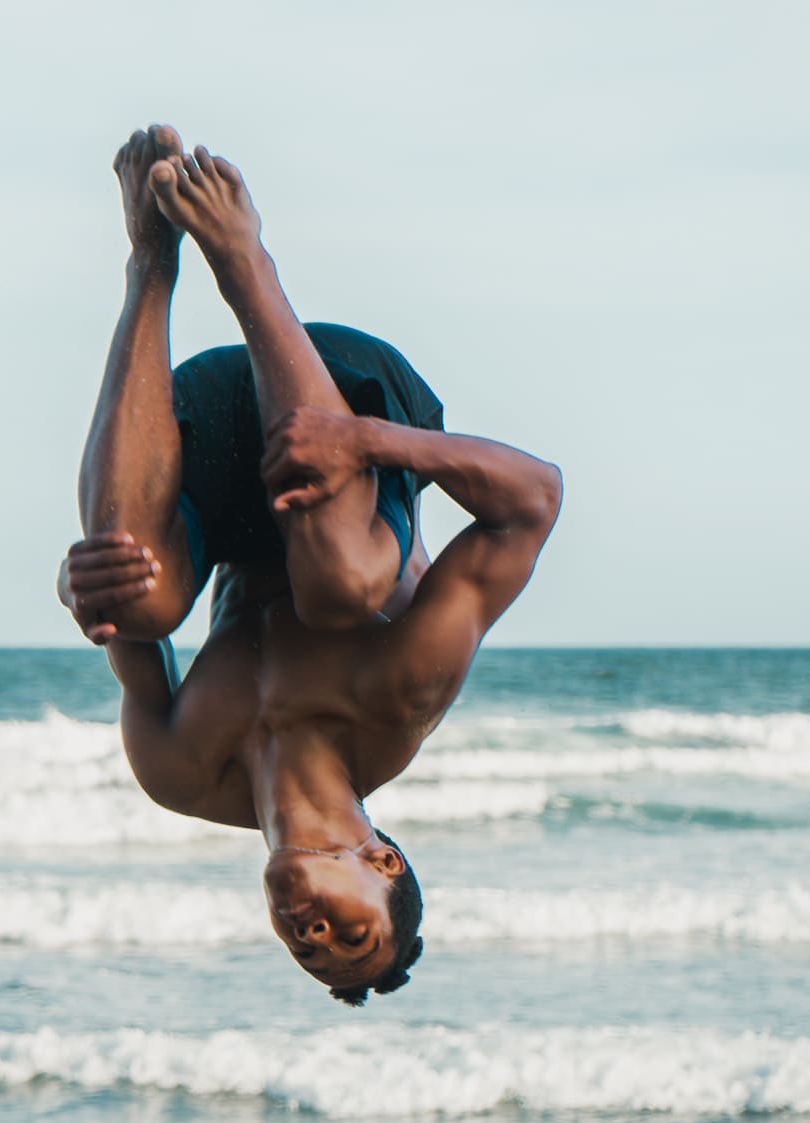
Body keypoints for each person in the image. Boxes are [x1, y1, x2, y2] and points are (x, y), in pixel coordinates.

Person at [60, 125, 561, 1004]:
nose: (316, 937)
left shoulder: (181, 771)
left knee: (138, 601)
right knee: (343, 588)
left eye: (309, 955)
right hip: (345, 397)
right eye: (351, 932)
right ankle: (243, 258)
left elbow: (112, 616)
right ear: (381, 859)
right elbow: (535, 500)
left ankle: (151, 259)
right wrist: (366, 437)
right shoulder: (399, 694)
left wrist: (78, 589)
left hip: (213, 436)